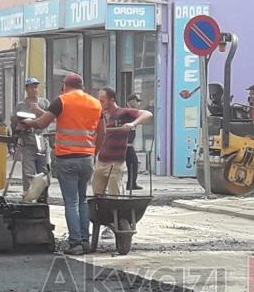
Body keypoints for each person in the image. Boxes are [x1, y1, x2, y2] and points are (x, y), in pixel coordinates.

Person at [20, 73, 104, 256]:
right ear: (82, 85)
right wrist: (94, 152)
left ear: (65, 85)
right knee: (82, 200)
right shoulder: (95, 103)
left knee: (71, 202)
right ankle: (85, 240)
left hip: (67, 158)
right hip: (87, 159)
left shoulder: (62, 101)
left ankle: (75, 243)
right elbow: (102, 132)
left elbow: (42, 123)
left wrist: (28, 123)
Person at [93, 88, 153, 196]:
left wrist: (132, 124)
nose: (100, 103)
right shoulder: (101, 115)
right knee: (97, 195)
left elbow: (147, 114)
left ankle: (116, 212)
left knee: (114, 196)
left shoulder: (123, 112)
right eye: (99, 100)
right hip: (101, 161)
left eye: (103, 101)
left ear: (112, 100)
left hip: (116, 163)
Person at [11, 77, 51, 194]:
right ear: (26, 89)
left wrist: (38, 110)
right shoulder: (20, 105)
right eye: (32, 87)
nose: (34, 90)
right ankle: (28, 197)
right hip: (27, 143)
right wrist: (18, 125)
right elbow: (14, 122)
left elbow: (51, 118)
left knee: (44, 173)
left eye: (36, 87)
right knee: (28, 173)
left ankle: (43, 197)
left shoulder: (44, 103)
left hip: (42, 142)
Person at [125, 93, 143, 190]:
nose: (138, 105)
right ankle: (131, 184)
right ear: (132, 102)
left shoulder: (132, 112)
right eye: (137, 102)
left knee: (132, 163)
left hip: (128, 144)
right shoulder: (128, 112)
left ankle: (132, 183)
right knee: (133, 163)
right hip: (125, 145)